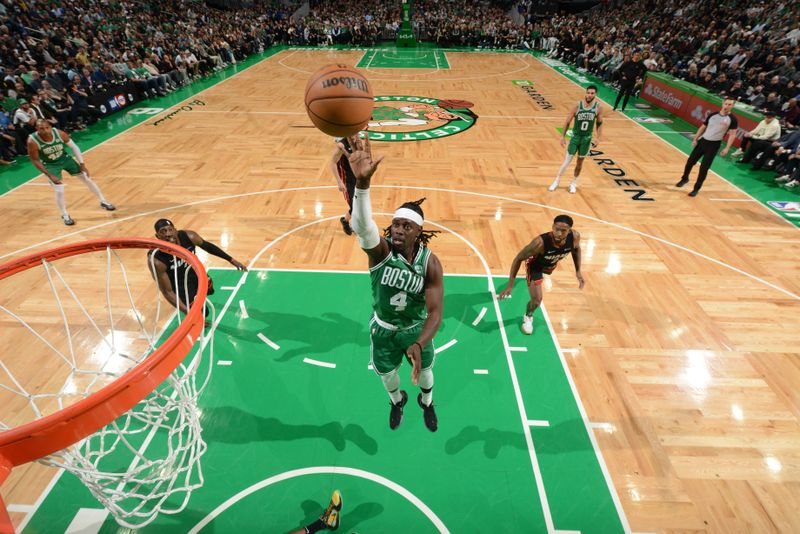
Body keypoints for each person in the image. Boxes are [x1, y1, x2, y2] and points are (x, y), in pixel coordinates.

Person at [341, 133, 443, 432]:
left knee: (425, 373)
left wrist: (418, 342)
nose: (398, 230)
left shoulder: (430, 263)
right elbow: (362, 226)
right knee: (387, 377)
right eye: (396, 224)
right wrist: (361, 185)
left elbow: (435, 313)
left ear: (417, 232)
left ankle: (427, 401)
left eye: (405, 226)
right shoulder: (381, 252)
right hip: (383, 329)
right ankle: (398, 400)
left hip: (414, 328)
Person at [498, 215, 584, 335]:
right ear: (552, 227)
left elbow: (576, 249)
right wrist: (510, 286)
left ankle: (545, 275)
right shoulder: (539, 243)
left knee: (548, 269)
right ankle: (528, 316)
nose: (558, 233)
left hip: (551, 263)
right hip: (535, 266)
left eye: (563, 230)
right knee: (537, 300)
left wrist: (578, 271)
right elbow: (518, 258)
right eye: (556, 229)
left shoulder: (575, 237)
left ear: (569, 230)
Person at [148, 218, 248, 314]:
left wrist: (232, 260)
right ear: (157, 236)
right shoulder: (157, 259)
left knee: (209, 288)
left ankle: (197, 297)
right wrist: (189, 314)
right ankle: (194, 305)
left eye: (170, 229)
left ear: (176, 230)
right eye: (163, 231)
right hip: (179, 284)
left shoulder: (189, 236)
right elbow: (167, 291)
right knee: (203, 313)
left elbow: (208, 247)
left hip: (194, 272)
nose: (168, 233)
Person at [27, 119, 115, 225]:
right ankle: (64, 214)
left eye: (47, 127)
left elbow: (74, 147)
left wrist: (82, 164)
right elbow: (35, 160)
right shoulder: (32, 141)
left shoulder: (59, 134)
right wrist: (49, 175)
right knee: (59, 188)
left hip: (65, 159)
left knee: (87, 178)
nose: (45, 131)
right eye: (41, 129)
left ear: (50, 127)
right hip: (50, 165)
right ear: (37, 129)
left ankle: (103, 201)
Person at [675, 97, 738, 196]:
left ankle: (696, 188)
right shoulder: (713, 115)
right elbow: (703, 127)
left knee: (704, 168)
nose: (727, 106)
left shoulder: (732, 119)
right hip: (703, 141)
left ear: (732, 106)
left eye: (730, 104)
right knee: (690, 162)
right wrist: (696, 138)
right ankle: (684, 178)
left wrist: (727, 148)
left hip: (714, 145)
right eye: (726, 104)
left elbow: (733, 134)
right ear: (723, 104)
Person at [549, 85, 604, 194]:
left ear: (595, 94)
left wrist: (598, 138)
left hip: (587, 139)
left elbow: (600, 123)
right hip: (575, 137)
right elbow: (567, 121)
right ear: (585, 93)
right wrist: (562, 136)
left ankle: (573, 183)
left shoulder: (598, 107)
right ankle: (557, 180)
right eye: (588, 93)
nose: (590, 95)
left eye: (592, 93)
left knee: (580, 163)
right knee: (567, 161)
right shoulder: (577, 105)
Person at [329, 134, 359, 235]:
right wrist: (339, 182)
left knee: (358, 205)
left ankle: (345, 220)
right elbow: (332, 163)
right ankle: (351, 224)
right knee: (355, 206)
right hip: (347, 180)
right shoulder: (341, 145)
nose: (357, 134)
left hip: (357, 178)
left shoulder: (357, 141)